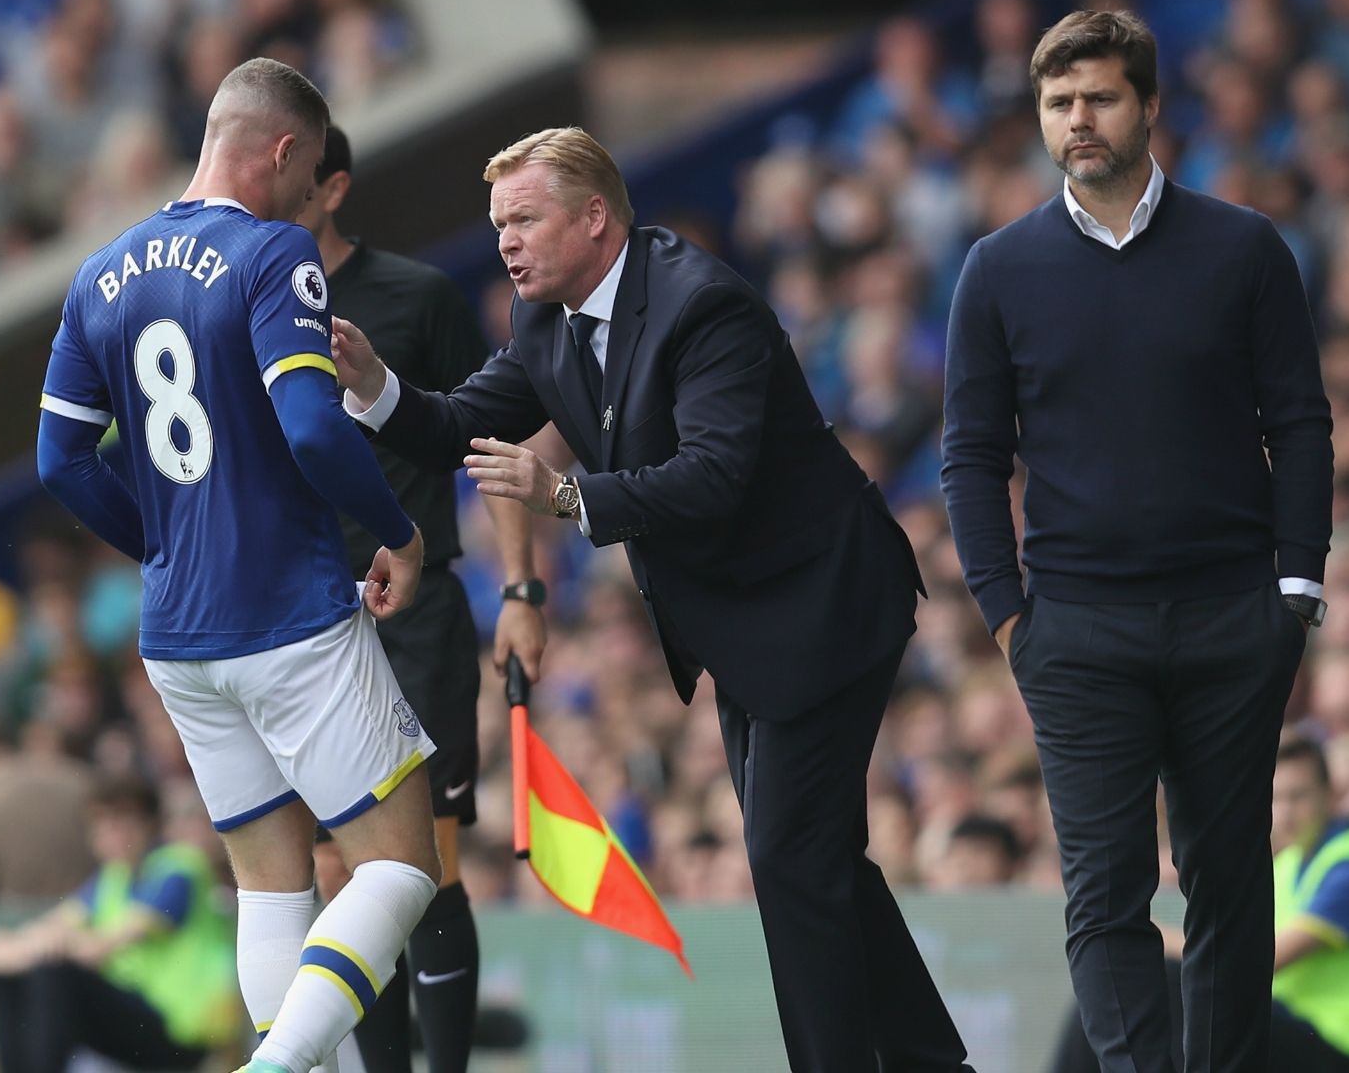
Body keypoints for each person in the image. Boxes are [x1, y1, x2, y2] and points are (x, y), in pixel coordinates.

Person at [333, 126, 972, 1073]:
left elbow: (712, 475)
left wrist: (565, 496)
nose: (505, 242)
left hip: (824, 603)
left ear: (594, 217)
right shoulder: (543, 317)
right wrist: (375, 386)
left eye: (524, 220)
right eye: (498, 223)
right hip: (744, 626)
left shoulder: (700, 303)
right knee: (818, 861)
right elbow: (460, 422)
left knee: (790, 860)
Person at [941, 11, 1333, 1073]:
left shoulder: (1242, 248)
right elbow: (970, 456)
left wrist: (1295, 590)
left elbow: (1299, 424)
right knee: (1103, 894)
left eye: (1100, 98)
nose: (1078, 119)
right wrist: (1006, 615)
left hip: (1232, 619)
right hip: (1074, 632)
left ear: (1149, 105)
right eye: (1058, 102)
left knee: (1228, 885)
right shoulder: (995, 269)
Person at [34, 58, 440, 1073]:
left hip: (178, 636)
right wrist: (397, 532)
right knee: (401, 867)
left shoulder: (100, 272)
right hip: (286, 613)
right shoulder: (272, 253)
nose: (308, 203)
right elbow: (313, 426)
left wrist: (164, 544)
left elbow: (59, 461)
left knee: (271, 888)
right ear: (283, 149)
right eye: (308, 178)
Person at [298, 123, 544, 1073]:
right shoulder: (242, 306)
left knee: (420, 861)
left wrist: (519, 587)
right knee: (336, 869)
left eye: (290, 179)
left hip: (415, 610)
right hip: (303, 624)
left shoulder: (417, 296)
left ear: (332, 187)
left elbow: (490, 444)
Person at [1045, 734, 1349, 1073]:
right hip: (1298, 1035)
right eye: (1278, 797)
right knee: (1113, 983)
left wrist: (1137, 934)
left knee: (1144, 972)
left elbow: (1254, 962)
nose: (1286, 811)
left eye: (1299, 796)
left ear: (1329, 795)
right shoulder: (1288, 863)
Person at [0, 775, 241, 1073]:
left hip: (184, 1033)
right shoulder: (112, 878)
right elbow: (29, 937)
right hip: (142, 1018)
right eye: (101, 825)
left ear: (150, 824)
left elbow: (99, 948)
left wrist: (37, 948)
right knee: (8, 977)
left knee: (56, 973)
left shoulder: (180, 868)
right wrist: (11, 946)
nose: (111, 834)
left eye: (122, 821)